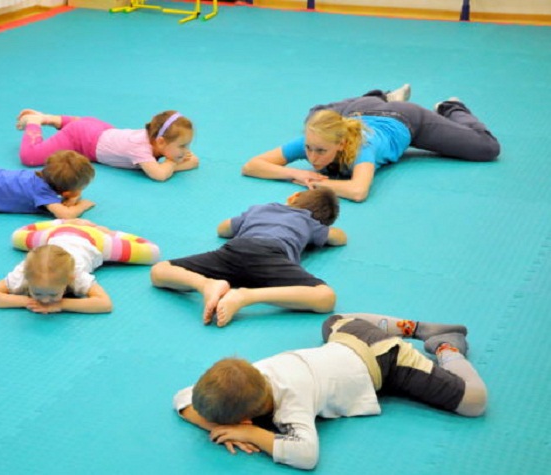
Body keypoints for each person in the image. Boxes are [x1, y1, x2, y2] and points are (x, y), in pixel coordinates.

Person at [173, 313, 488, 470]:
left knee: (474, 402)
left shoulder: (292, 402)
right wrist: (216, 425)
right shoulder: (250, 373)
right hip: (349, 333)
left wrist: (253, 434)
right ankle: (413, 326)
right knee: (333, 320)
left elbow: (307, 456)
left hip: (387, 360)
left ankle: (444, 345)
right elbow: (181, 396)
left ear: (246, 418)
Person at [241, 84, 500, 202]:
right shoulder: (313, 140)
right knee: (314, 118)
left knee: (487, 148)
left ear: (342, 145)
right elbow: (251, 165)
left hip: (406, 118)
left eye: (320, 151)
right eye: (309, 148)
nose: (312, 157)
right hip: (359, 109)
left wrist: (316, 183)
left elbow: (358, 191)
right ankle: (380, 96)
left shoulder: (362, 147)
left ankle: (450, 107)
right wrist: (296, 173)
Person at [150, 188, 347, 327]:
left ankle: (206, 285)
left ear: (293, 196)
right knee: (326, 298)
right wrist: (319, 229)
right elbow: (340, 238)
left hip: (235, 250)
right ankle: (247, 296)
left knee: (160, 270)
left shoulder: (261, 209)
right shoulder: (309, 221)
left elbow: (223, 229)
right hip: (272, 256)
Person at [0, 218, 160, 314]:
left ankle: (105, 231)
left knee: (152, 253)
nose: (45, 301)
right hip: (57, 233)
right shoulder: (24, 272)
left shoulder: (76, 275)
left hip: (94, 241)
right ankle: (66, 221)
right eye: (38, 293)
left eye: (53, 294)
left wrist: (61, 304)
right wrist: (27, 301)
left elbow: (105, 304)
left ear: (69, 279)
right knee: (16, 236)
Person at [16, 109, 199, 182]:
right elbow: (159, 175)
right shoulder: (140, 148)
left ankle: (50, 118)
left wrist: (171, 163)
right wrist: (172, 162)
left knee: (84, 125)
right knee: (30, 157)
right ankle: (34, 121)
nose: (186, 151)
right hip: (81, 139)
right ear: (161, 142)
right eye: (182, 146)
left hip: (98, 129)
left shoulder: (159, 140)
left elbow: (194, 162)